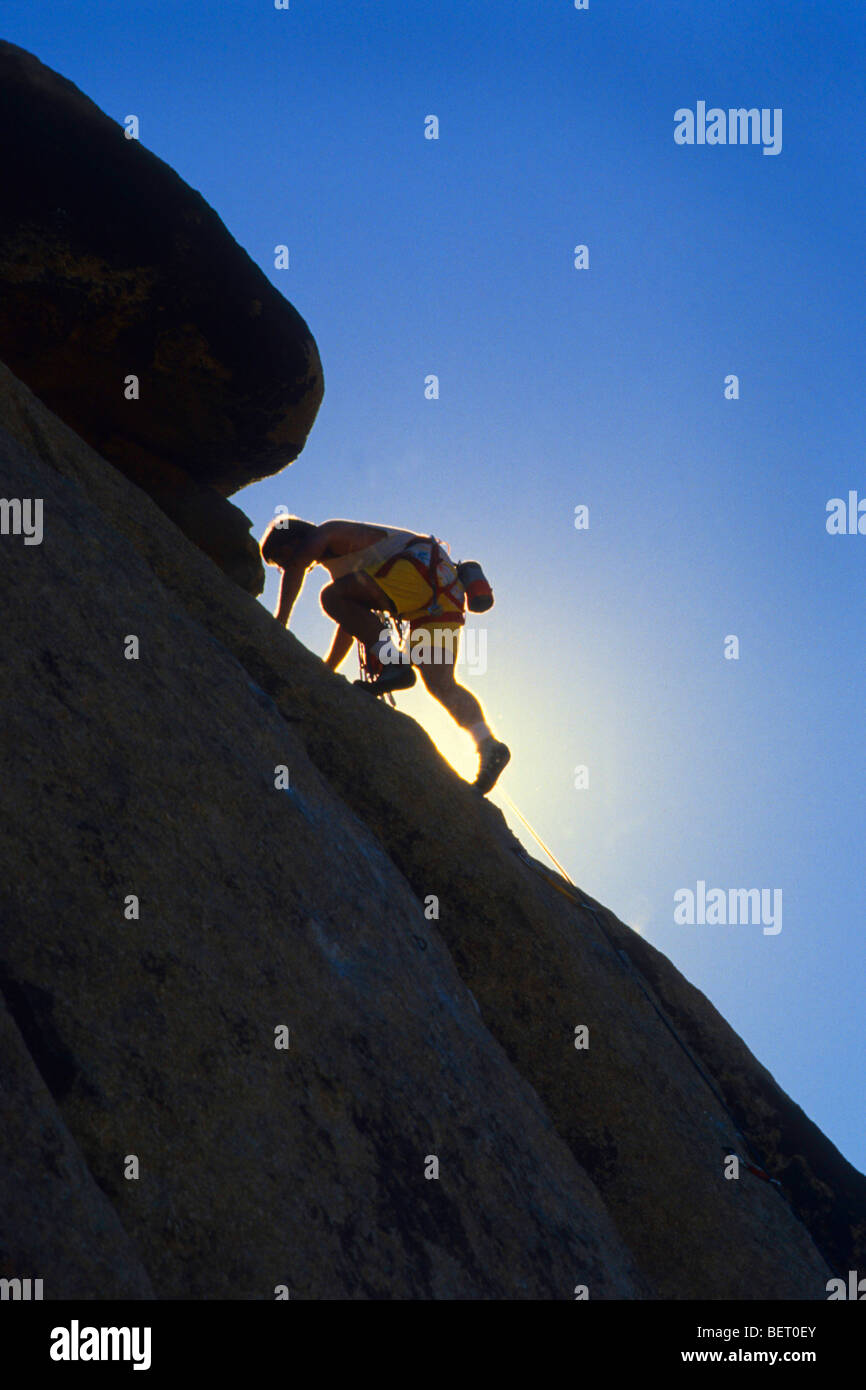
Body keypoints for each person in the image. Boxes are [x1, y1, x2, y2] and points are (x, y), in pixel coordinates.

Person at [261, 515, 511, 795]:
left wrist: (278, 623)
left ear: (294, 539)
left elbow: (299, 565)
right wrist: (328, 669)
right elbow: (351, 622)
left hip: (416, 575)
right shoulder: (342, 571)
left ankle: (395, 664)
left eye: (279, 558)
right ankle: (490, 746)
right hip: (440, 595)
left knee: (330, 596)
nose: (284, 568)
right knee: (441, 684)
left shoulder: (328, 532)